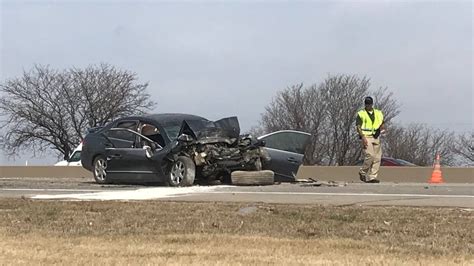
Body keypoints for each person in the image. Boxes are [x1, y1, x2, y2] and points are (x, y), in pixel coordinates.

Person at [356, 96, 385, 183]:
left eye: (369, 104)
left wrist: (381, 130)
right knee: (370, 155)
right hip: (366, 136)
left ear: (372, 104)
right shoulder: (361, 114)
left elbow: (382, 123)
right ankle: (362, 172)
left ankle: (372, 176)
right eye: (366, 104)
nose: (368, 105)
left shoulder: (378, 113)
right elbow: (358, 126)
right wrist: (363, 137)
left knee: (377, 158)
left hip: (376, 136)